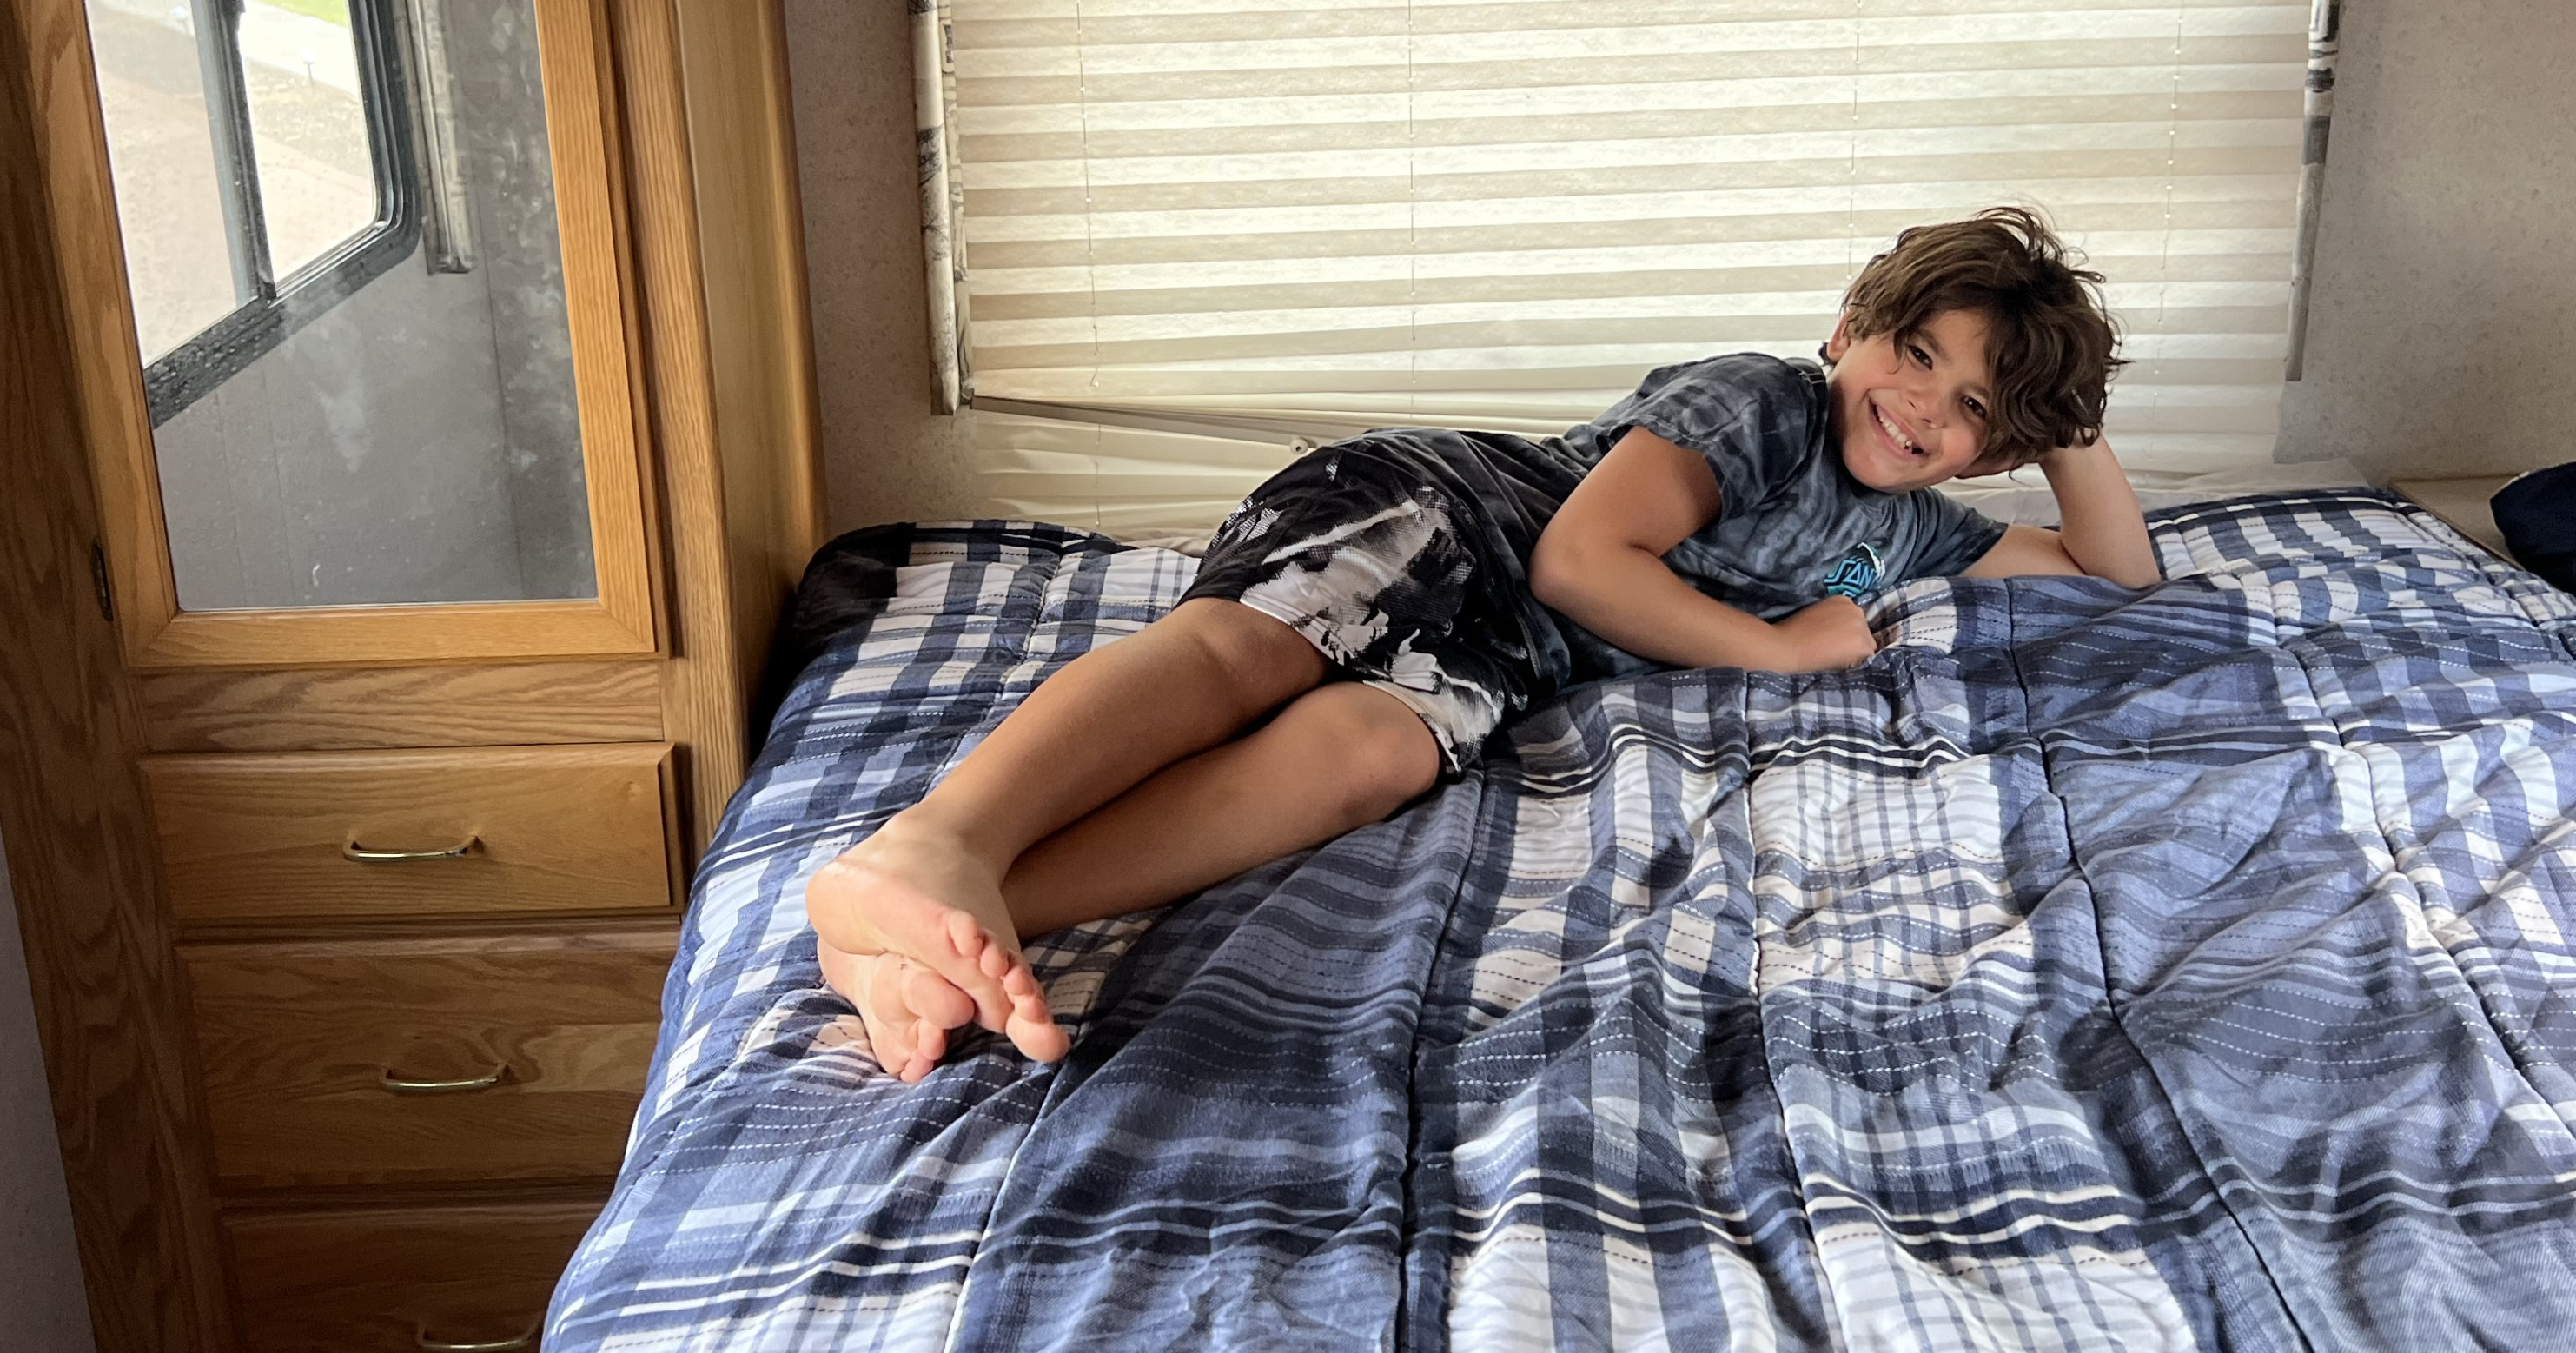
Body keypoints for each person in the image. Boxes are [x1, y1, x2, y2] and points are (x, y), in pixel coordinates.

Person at [808, 205, 2156, 1080]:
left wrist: (2067, 411)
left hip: (1516, 658)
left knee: (1357, 763)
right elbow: (1583, 557)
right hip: (1462, 514)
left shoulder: (1914, 536)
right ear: (1849, 328)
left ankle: (929, 928)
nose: (1923, 407)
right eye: (1913, 352)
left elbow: (2115, 570)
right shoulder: (1766, 406)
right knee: (1254, 655)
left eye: (1972, 408)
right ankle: (946, 838)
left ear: (2003, 450)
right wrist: (1785, 653)